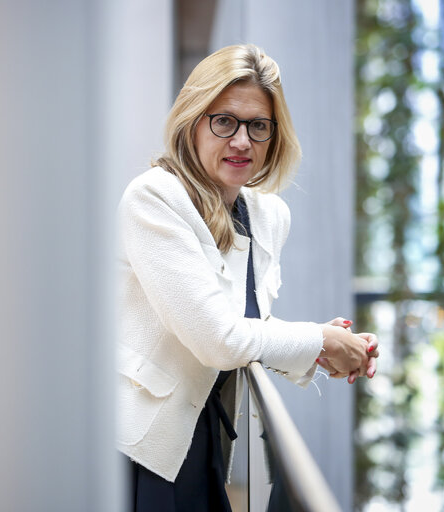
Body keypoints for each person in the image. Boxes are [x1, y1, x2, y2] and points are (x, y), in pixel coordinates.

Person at [116, 44, 379, 512]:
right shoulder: (154, 198)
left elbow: (249, 329)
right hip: (143, 440)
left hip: (207, 429)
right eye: (225, 121)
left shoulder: (268, 214)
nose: (242, 141)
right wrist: (316, 341)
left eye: (258, 126)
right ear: (193, 121)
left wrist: (327, 348)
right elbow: (217, 338)